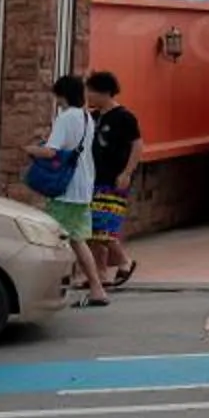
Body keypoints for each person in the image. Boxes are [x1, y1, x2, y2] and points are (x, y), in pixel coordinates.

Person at [30, 73, 111, 307]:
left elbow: (52, 151)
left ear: (61, 95)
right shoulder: (87, 118)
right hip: (83, 186)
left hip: (66, 190)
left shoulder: (66, 118)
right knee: (77, 239)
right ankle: (96, 289)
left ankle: (51, 287)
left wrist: (30, 148)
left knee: (54, 237)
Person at [83, 69, 141, 289]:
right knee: (91, 230)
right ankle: (100, 273)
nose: (88, 97)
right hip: (93, 178)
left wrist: (127, 172)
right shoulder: (93, 117)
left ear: (105, 92)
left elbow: (137, 145)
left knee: (103, 226)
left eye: (91, 92)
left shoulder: (124, 117)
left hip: (114, 179)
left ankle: (125, 261)